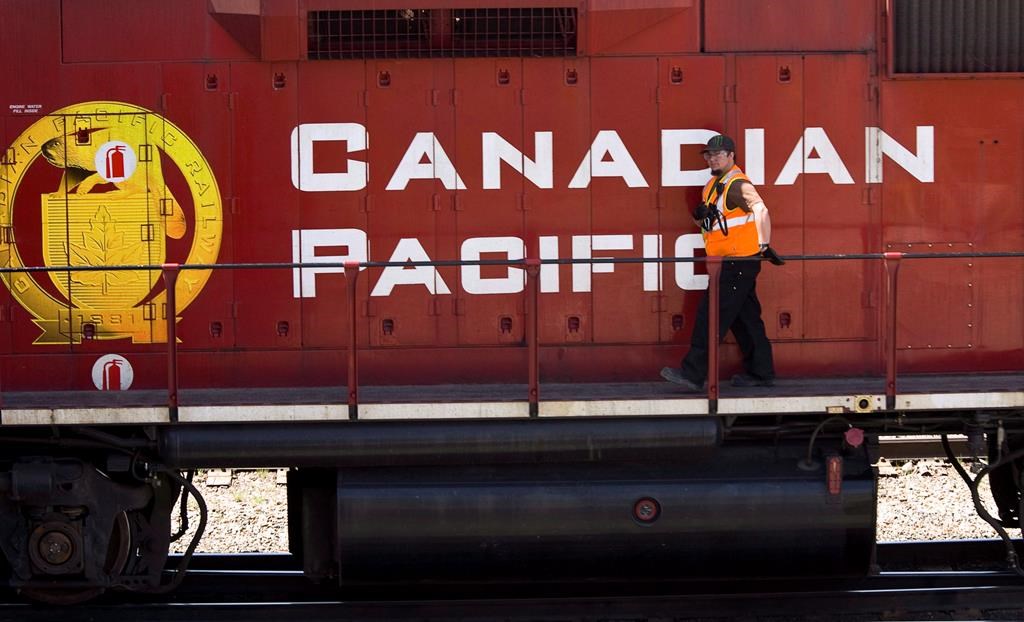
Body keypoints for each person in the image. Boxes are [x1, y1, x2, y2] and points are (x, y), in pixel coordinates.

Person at [660, 134, 780, 391]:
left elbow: (761, 210)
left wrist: (764, 244)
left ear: (731, 156)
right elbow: (708, 225)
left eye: (718, 154)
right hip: (733, 262)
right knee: (745, 318)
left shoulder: (737, 183)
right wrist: (699, 217)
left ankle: (693, 374)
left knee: (710, 316)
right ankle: (762, 372)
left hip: (738, 262)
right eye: (709, 155)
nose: (712, 158)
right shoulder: (713, 186)